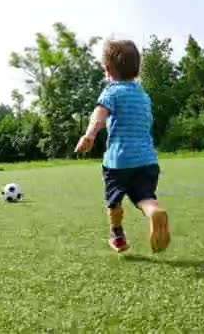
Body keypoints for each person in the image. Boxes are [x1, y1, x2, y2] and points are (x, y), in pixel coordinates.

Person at [74, 38, 170, 253]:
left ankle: (117, 235)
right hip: (147, 160)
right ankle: (154, 212)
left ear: (107, 69)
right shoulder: (143, 95)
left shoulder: (111, 92)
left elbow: (98, 118)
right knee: (145, 198)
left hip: (119, 161)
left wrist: (88, 137)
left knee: (114, 201)